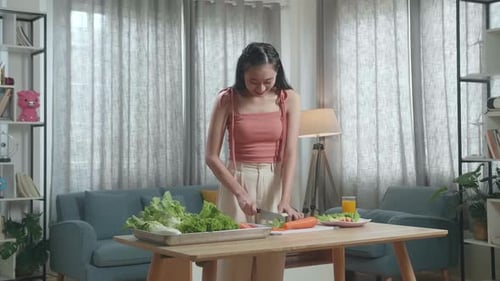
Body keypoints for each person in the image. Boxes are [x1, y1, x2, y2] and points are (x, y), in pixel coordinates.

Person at [205, 42, 302, 281]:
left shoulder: (288, 99)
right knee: (235, 265)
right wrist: (239, 193)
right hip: (237, 180)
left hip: (274, 180)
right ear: (242, 75)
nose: (260, 88)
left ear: (277, 72)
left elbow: (290, 153)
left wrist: (286, 200)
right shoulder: (227, 99)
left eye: (267, 81)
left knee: (271, 264)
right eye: (253, 81)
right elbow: (211, 156)